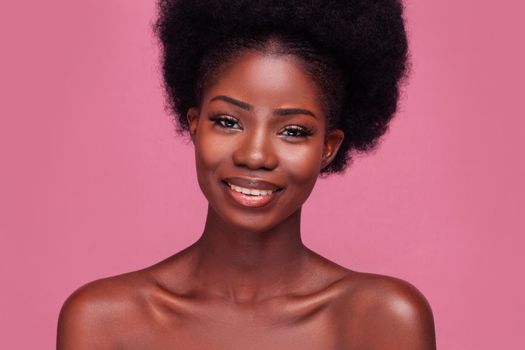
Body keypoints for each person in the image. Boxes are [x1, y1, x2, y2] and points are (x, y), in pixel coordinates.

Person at [57, 0, 436, 348]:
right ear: (195, 125)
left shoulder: (383, 321)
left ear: (327, 147)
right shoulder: (103, 321)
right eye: (227, 121)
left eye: (293, 131)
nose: (255, 156)